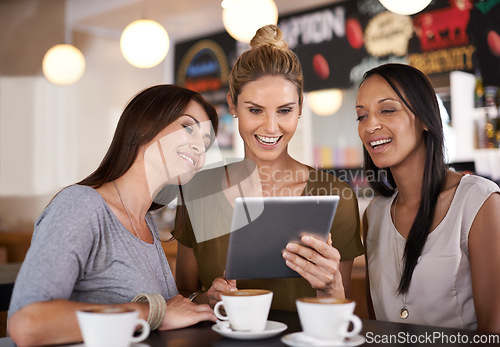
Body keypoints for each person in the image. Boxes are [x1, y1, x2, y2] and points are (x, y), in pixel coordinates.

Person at [8, 84, 219, 346]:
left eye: (206, 142)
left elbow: (165, 312)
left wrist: (201, 301)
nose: (200, 146)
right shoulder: (81, 205)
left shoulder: (146, 224)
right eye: (188, 127)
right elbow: (27, 324)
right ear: (145, 125)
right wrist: (154, 313)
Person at [174, 24, 364, 311]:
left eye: (285, 110)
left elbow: (338, 310)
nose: (271, 127)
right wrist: (207, 298)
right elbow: (183, 296)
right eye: (255, 110)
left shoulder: (336, 195)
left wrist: (330, 285)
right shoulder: (198, 190)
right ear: (233, 105)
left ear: (300, 107)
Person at [356, 63, 500, 332]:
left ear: (424, 118)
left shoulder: (478, 202)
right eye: (361, 116)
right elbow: (377, 328)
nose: (370, 125)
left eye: (387, 110)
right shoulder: (374, 215)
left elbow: (492, 334)